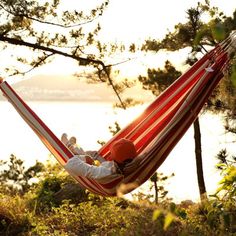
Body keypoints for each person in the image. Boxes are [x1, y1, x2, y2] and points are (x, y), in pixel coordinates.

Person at [61, 133, 140, 180]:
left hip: (96, 167)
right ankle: (74, 146)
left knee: (84, 155)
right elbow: (145, 153)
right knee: (94, 154)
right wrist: (138, 160)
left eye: (112, 154)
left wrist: (84, 158)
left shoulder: (105, 172)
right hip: (105, 166)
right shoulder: (132, 163)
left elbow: (71, 164)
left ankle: (71, 146)